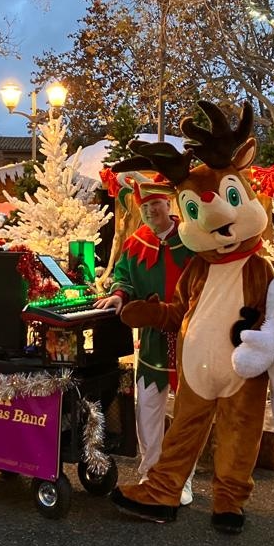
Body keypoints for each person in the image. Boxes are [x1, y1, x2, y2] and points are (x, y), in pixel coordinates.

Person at [94, 177, 194, 501]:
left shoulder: (192, 241)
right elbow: (123, 276)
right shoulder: (137, 242)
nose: (152, 211)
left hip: (188, 339)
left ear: (169, 205)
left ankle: (182, 477)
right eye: (146, 206)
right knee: (148, 408)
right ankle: (151, 472)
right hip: (152, 341)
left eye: (157, 204)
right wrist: (120, 294)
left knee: (187, 414)